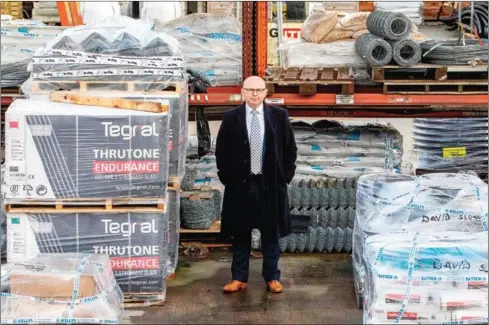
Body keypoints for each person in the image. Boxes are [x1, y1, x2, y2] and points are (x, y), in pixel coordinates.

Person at [215, 76, 297, 294]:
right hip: (241, 186)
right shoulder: (231, 117)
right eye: (250, 90)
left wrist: (285, 177)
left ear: (265, 92)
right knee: (240, 233)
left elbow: (290, 149)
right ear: (242, 92)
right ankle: (239, 278)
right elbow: (221, 151)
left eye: (258, 90)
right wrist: (228, 179)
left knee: (271, 233)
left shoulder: (279, 116)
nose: (254, 94)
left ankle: (272, 277)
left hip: (270, 184)